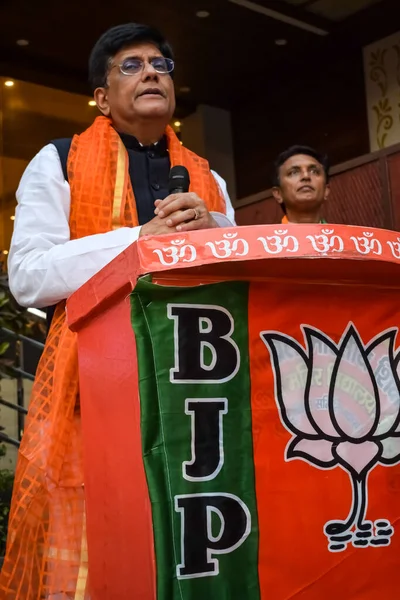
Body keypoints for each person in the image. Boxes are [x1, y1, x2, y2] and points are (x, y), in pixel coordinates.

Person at [0, 23, 235, 599]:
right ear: (101, 98)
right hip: (97, 388)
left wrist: (215, 230)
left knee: (193, 534)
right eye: (130, 65)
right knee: (101, 545)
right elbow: (28, 277)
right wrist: (141, 240)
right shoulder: (58, 161)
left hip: (197, 386)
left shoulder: (209, 178)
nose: (153, 71)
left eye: (161, 63)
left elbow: (237, 271)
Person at [272, 145, 330, 224]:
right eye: (293, 173)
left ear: (326, 191)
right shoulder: (261, 236)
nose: (306, 176)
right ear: (278, 194)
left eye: (314, 171)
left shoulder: (346, 236)